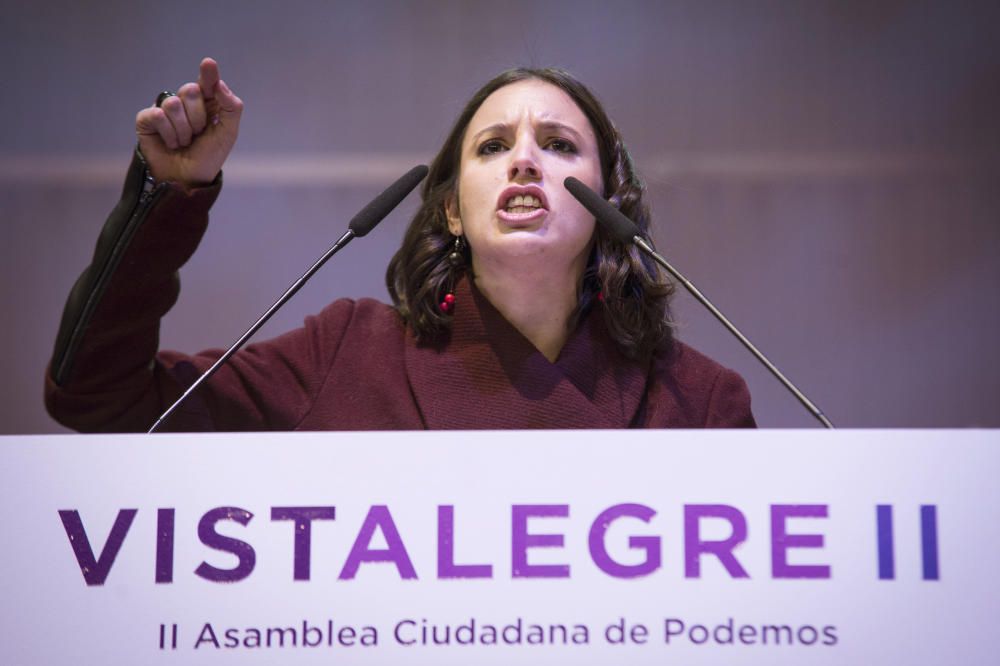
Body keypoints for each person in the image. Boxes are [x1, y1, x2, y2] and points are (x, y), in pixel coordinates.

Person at [45, 58, 755, 431]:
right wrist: (169, 196)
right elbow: (99, 401)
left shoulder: (698, 400)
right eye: (494, 146)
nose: (525, 162)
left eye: (560, 145)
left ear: (609, 202)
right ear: (451, 208)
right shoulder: (348, 353)